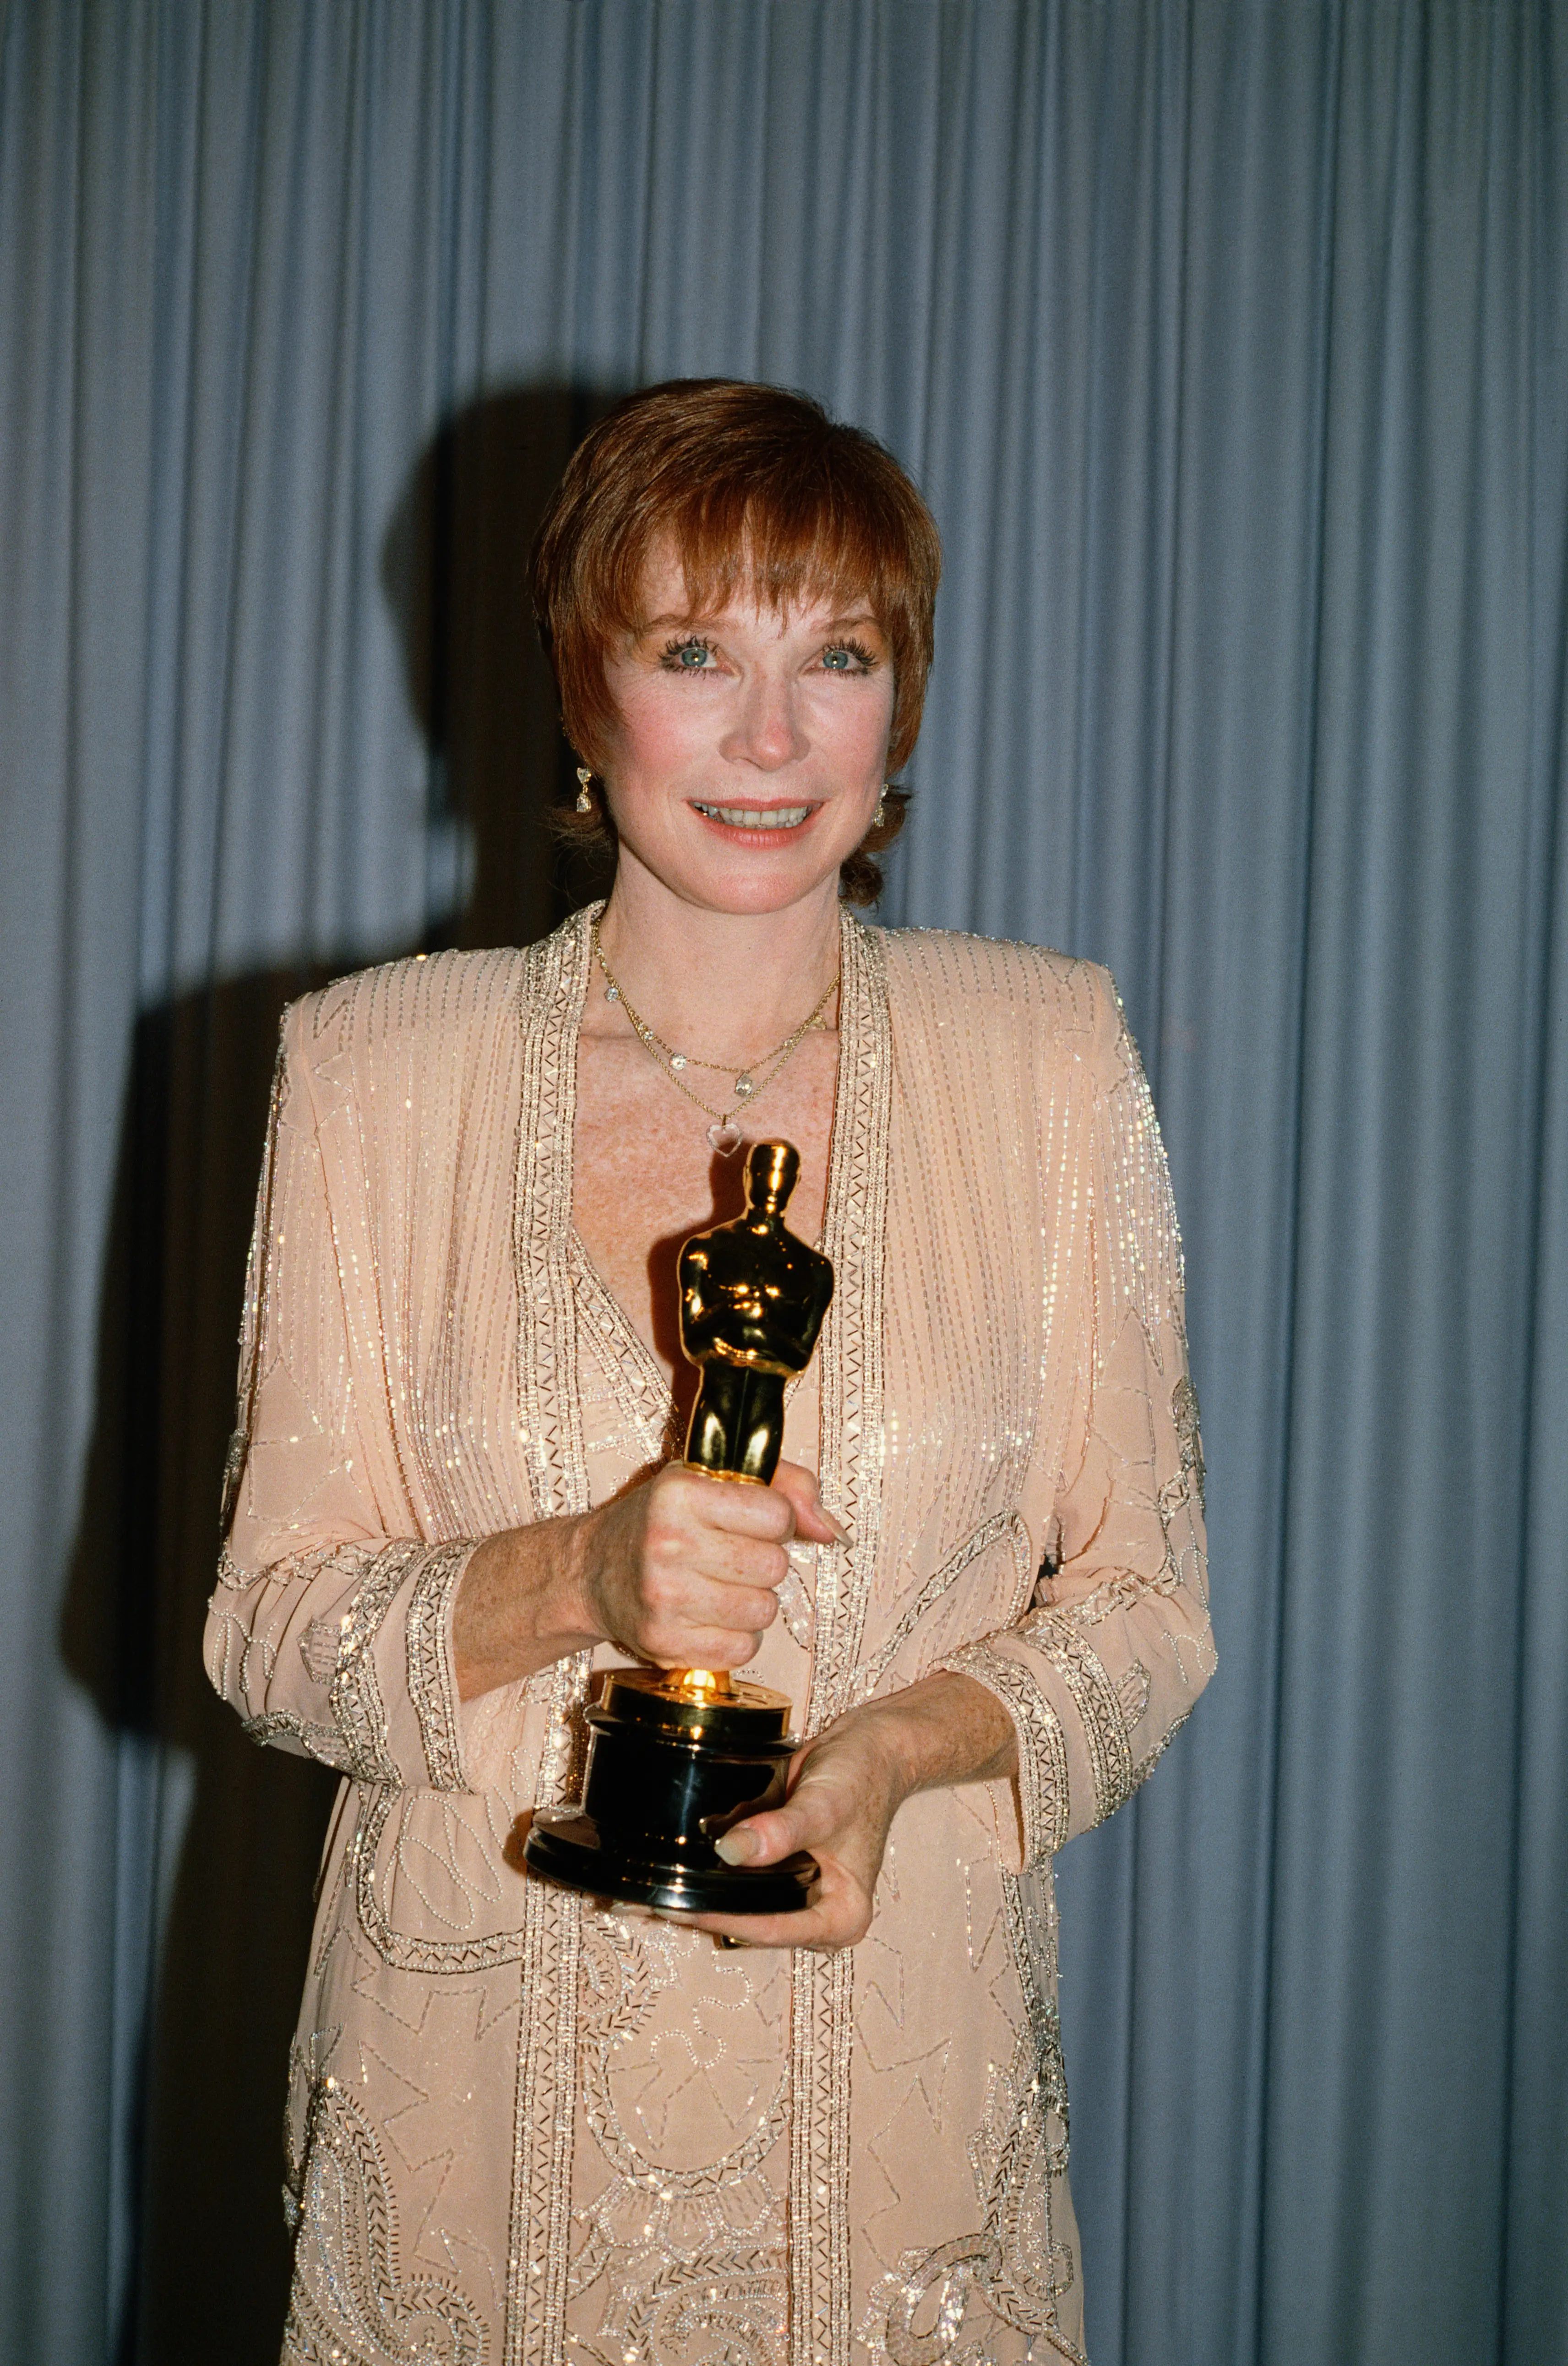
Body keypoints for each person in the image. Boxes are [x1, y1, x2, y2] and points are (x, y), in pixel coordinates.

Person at [207, 378, 1214, 2366]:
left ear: (899, 703)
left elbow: (1145, 1607)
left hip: (900, 2160)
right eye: (694, 655)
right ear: (583, 693)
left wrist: (900, 1749)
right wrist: (572, 1576)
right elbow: (266, 1627)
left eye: (836, 656)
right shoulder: (372, 1074)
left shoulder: (1049, 1059)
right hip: (472, 2130)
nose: (772, 737)